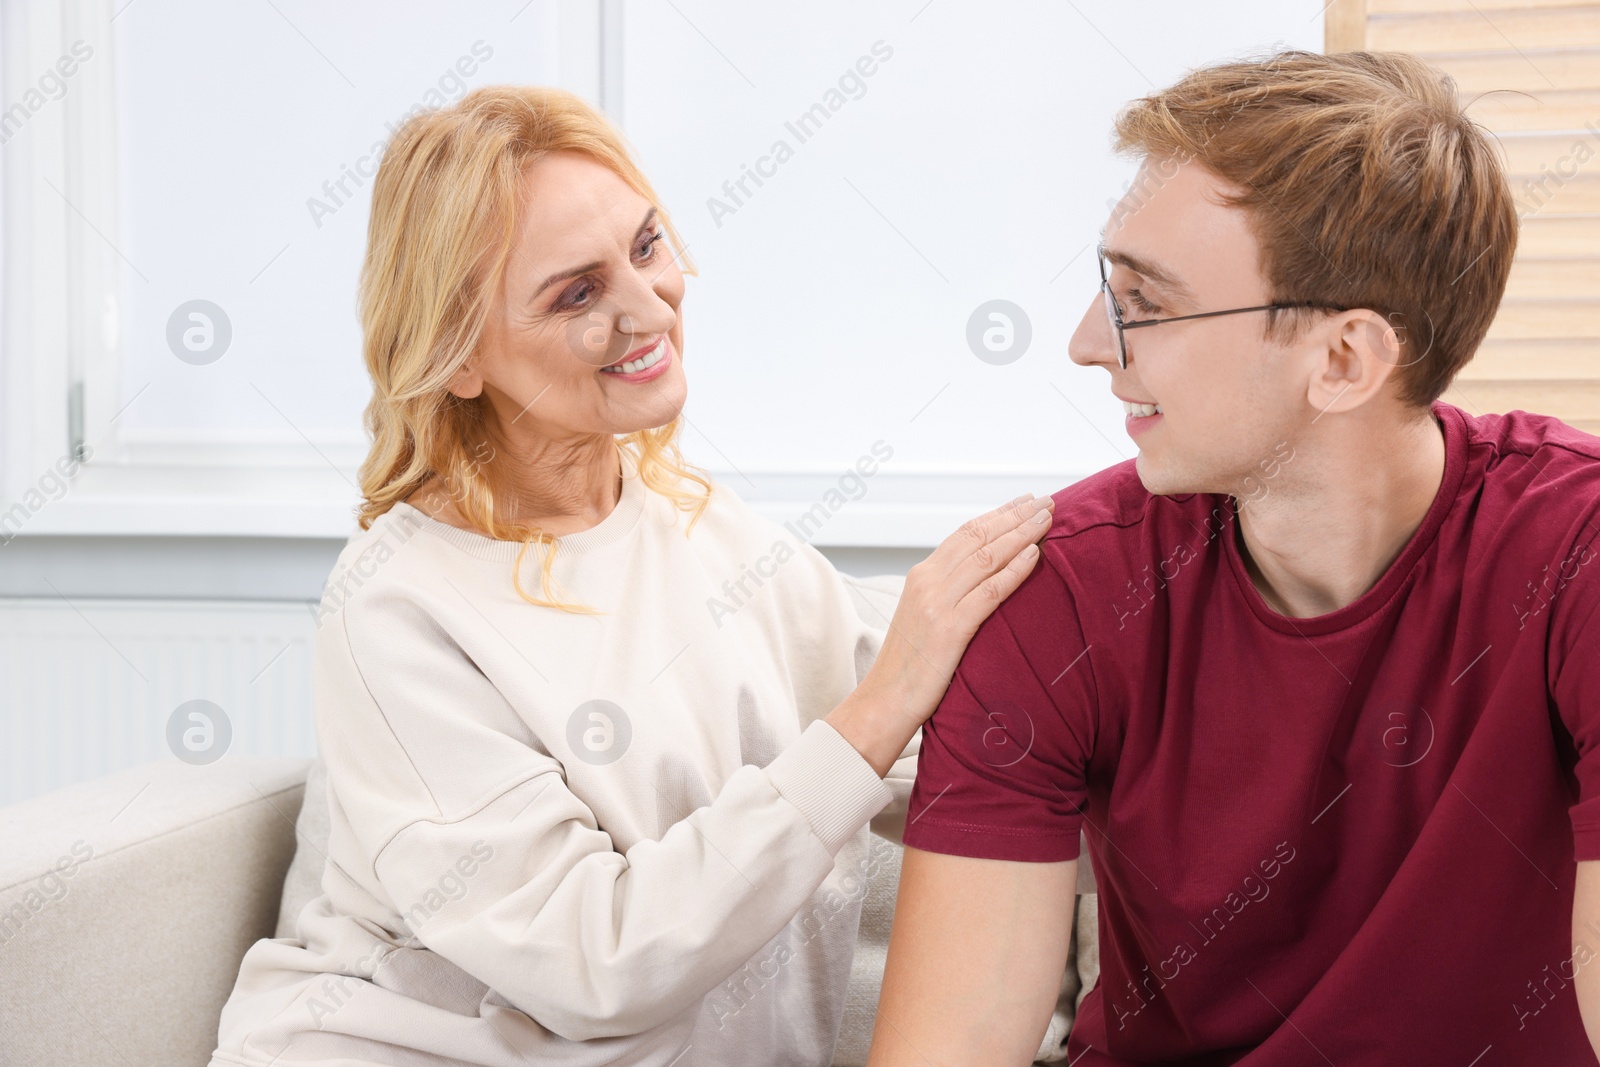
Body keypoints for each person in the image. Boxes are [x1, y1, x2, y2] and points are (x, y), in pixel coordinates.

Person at [206, 85, 1054, 1067]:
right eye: (576, 293)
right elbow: (596, 963)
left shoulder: (711, 536)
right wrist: (875, 712)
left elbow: (964, 738)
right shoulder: (398, 604)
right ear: (459, 357)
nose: (651, 306)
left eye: (647, 247)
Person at [870, 49, 1600, 1066]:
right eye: (1104, 286)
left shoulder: (1577, 557)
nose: (1089, 343)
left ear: (1342, 360)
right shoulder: (1054, 596)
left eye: (1146, 303)